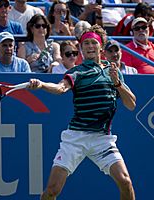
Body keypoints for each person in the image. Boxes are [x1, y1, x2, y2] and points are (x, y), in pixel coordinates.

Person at [28, 24, 136, 200]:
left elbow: (131, 104)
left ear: (101, 46)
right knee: (52, 190)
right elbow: (60, 88)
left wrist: (117, 83)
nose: (90, 46)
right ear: (81, 48)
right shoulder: (77, 72)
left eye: (94, 43)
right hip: (76, 138)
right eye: (86, 44)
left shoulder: (112, 71)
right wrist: (41, 84)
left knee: (125, 182)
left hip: (102, 138)